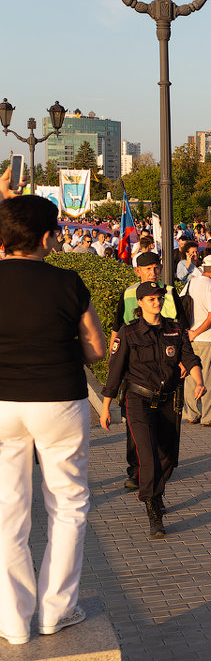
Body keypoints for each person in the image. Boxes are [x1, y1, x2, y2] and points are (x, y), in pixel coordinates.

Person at [0, 189, 105, 645]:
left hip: (2, 402)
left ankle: (14, 621)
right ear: (47, 238)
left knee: (8, 511)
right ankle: (55, 611)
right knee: (67, 504)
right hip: (59, 399)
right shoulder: (68, 282)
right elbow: (97, 348)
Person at [100, 282, 205, 539]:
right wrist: (105, 408)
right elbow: (114, 372)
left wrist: (199, 380)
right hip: (138, 400)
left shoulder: (174, 329)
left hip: (168, 399)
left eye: (159, 298)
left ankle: (155, 494)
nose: (156, 303)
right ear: (140, 304)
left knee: (167, 456)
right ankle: (152, 508)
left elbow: (189, 357)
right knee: (147, 457)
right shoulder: (129, 332)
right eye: (150, 299)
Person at [182, 255, 211, 427]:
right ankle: (209, 416)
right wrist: (195, 332)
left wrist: (190, 333)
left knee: (190, 375)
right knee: (208, 376)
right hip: (207, 338)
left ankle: (192, 413)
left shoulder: (191, 282)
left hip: (191, 337)